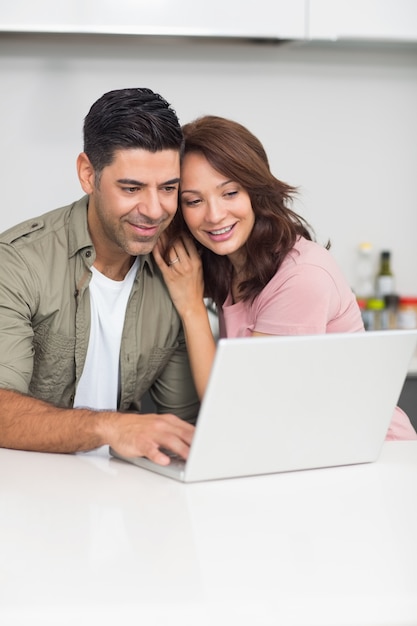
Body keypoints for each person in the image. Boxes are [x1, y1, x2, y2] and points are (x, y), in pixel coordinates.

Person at [153, 115, 417, 440]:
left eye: (230, 193)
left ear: (255, 190)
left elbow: (239, 409)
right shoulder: (227, 262)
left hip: (375, 454)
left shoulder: (300, 278)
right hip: (309, 447)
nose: (214, 215)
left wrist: (192, 306)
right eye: (193, 201)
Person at [0, 87, 200, 464]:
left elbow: (183, 424)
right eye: (131, 188)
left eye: (168, 188)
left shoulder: (176, 273)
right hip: (26, 497)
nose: (154, 210)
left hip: (124, 496)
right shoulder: (17, 263)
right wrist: (109, 427)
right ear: (88, 174)